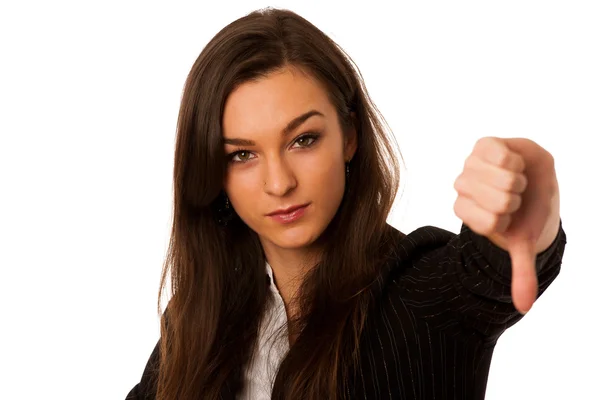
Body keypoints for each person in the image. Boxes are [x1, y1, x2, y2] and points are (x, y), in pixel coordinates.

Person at [126, 7, 566, 400]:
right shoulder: (196, 316)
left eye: (303, 140)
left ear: (349, 137)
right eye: (242, 155)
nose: (279, 183)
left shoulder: (418, 292)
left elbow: (485, 273)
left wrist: (525, 201)